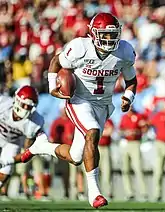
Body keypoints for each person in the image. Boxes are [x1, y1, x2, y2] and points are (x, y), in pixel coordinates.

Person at [1, 13, 137, 208]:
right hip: (79, 100)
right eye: (105, 35)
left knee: (75, 157)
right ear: (93, 33)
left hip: (103, 104)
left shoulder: (124, 51)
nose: (109, 39)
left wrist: (128, 97)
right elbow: (56, 61)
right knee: (92, 133)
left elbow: (131, 80)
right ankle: (95, 193)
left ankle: (42, 147)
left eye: (112, 34)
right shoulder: (81, 47)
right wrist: (51, 86)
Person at [0, 85, 44, 198]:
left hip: (12, 142)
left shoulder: (34, 121)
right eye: (23, 104)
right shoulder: (3, 103)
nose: (25, 108)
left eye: (28, 106)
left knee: (5, 171)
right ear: (16, 100)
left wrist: (9, 160)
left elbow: (27, 150)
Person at [119, 107, 148, 201]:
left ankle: (143, 193)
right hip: (126, 143)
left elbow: (145, 128)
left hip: (135, 143)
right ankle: (129, 193)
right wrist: (125, 132)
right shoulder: (124, 117)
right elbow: (120, 130)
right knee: (125, 169)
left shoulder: (139, 116)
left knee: (138, 168)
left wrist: (137, 131)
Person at [150, 99, 165, 201]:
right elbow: (149, 123)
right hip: (160, 144)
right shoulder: (159, 115)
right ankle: (157, 194)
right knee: (158, 170)